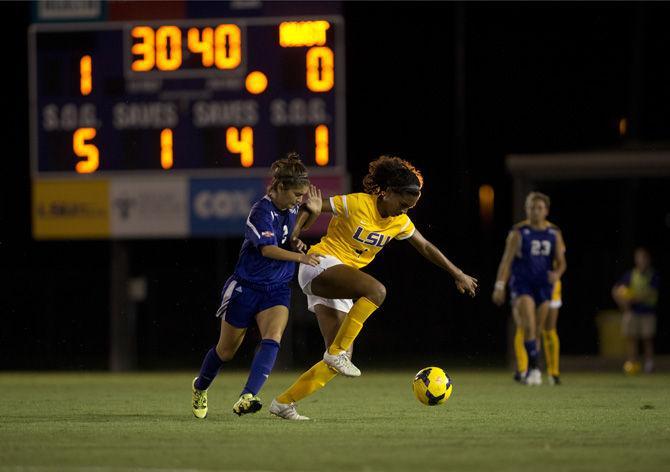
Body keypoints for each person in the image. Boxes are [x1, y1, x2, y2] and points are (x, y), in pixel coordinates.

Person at [267, 155, 478, 420]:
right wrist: (296, 233)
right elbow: (315, 205)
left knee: (339, 357)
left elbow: (424, 246)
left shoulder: (399, 222)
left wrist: (457, 273)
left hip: (341, 279)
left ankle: (283, 403)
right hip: (321, 264)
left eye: (410, 207)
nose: (404, 211)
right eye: (402, 204)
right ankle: (335, 354)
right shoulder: (358, 203)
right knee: (376, 291)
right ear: (387, 192)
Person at [191, 153, 323, 418]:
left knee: (273, 338)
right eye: (297, 194)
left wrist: (312, 215)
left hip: (276, 289)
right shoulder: (260, 212)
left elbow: (292, 233)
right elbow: (267, 249)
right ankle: (200, 387)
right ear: (281, 188)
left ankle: (247, 396)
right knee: (226, 351)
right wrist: (300, 256)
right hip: (246, 288)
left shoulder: (291, 207)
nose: (300, 200)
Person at [492, 192, 566, 386]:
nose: (535, 211)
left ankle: (533, 367)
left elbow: (562, 262)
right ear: (526, 210)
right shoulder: (518, 232)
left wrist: (557, 274)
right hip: (522, 283)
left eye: (539, 208)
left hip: (544, 284)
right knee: (529, 325)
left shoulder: (554, 233)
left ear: (546, 211)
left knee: (538, 328)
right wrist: (500, 285)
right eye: (532, 207)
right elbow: (506, 261)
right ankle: (532, 368)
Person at [612, 247, 660, 375]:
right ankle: (632, 363)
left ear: (648, 260)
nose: (641, 261)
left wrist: (631, 298)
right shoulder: (631, 274)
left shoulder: (653, 275)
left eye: (643, 258)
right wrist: (623, 303)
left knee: (647, 339)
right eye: (638, 258)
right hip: (632, 312)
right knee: (631, 338)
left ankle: (649, 364)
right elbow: (616, 290)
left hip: (647, 312)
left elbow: (649, 293)